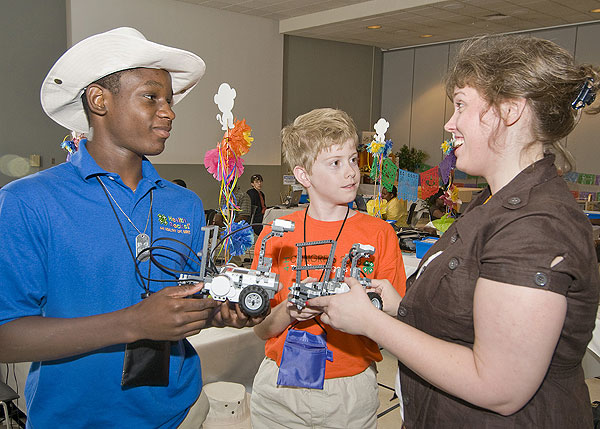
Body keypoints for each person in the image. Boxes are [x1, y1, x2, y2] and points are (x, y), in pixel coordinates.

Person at [308, 34, 600, 427]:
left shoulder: (536, 227)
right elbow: (470, 319)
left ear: (509, 110)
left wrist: (372, 323)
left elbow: (499, 387)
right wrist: (398, 306)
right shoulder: (493, 204)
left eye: (461, 104)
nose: (450, 122)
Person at [0, 27, 265, 427]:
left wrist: (217, 313)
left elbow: (178, 307)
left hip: (182, 412)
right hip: (77, 418)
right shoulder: (29, 202)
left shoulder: (185, 205)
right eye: (151, 97)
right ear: (99, 100)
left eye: (170, 100)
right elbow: (6, 336)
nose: (169, 111)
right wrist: (133, 323)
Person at [250, 108, 407, 428]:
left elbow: (396, 324)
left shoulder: (379, 234)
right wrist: (291, 310)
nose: (350, 172)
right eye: (335, 163)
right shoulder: (276, 234)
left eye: (352, 159)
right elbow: (261, 328)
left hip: (348, 391)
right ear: (303, 175)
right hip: (278, 390)